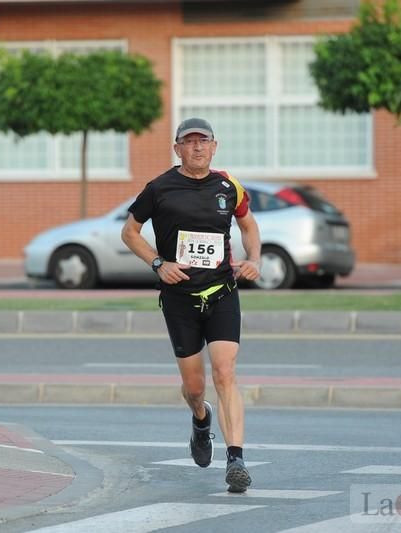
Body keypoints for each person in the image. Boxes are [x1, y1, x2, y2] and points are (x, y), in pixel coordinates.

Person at [121, 117, 262, 493]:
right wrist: (158, 264)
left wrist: (255, 258)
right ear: (177, 148)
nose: (197, 147)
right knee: (196, 387)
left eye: (204, 141)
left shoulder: (228, 185)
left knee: (225, 372)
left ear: (214, 147)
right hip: (179, 298)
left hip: (222, 292)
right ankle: (201, 420)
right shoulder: (160, 188)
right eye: (189, 141)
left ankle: (235, 458)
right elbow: (129, 232)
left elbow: (248, 226)